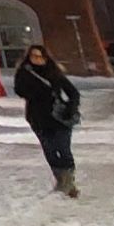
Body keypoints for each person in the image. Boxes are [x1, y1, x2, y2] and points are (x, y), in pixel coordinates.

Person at [14, 44, 81, 198]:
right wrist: (27, 83)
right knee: (50, 150)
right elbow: (19, 91)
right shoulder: (25, 73)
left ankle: (69, 182)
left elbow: (73, 93)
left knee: (63, 149)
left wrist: (71, 108)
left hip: (59, 118)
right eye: (33, 56)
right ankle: (61, 180)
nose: (36, 60)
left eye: (39, 56)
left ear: (45, 57)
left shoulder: (54, 73)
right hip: (38, 118)